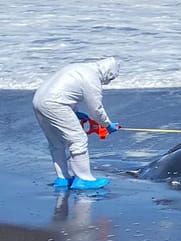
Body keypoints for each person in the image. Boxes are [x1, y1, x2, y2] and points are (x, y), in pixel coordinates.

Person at [32, 57, 121, 190]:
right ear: (108, 72)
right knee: (78, 140)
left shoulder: (79, 68)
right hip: (55, 105)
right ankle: (84, 179)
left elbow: (65, 91)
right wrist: (107, 125)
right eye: (111, 78)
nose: (108, 81)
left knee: (56, 143)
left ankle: (63, 178)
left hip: (38, 101)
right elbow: (96, 109)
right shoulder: (92, 78)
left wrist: (75, 111)